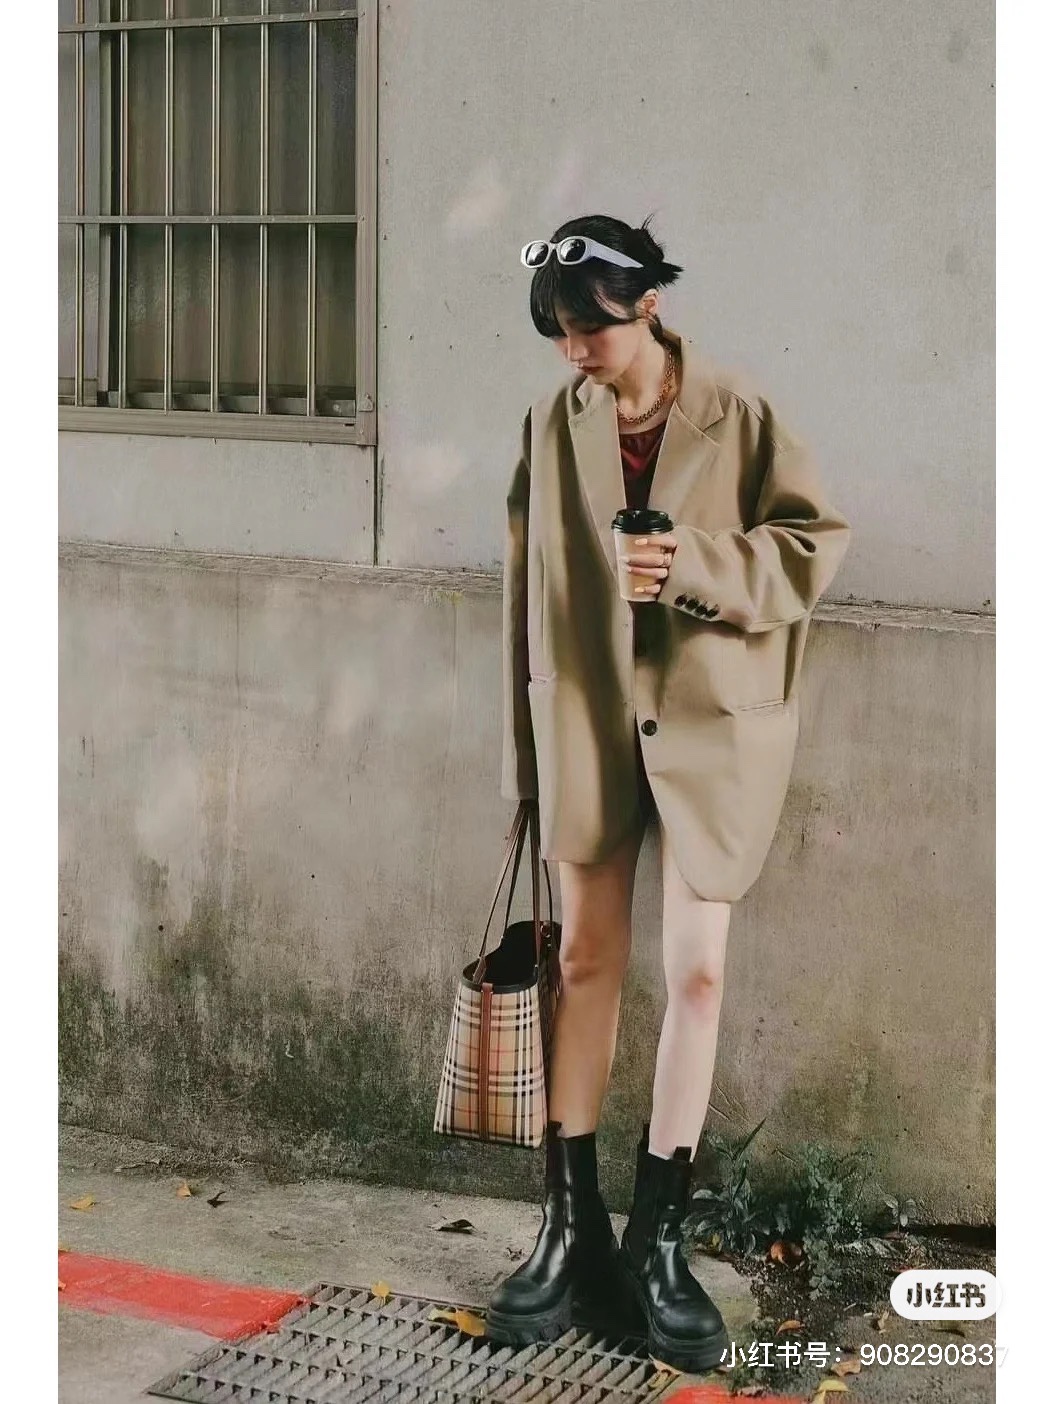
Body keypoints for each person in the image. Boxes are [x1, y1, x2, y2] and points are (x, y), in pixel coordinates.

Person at [486, 213, 851, 1370]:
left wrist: (690, 562)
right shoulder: (554, 424)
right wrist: (528, 758)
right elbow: (525, 590)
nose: (573, 351)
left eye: (588, 327)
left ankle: (658, 1241)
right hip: (588, 717)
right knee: (584, 964)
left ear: (647, 304)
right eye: (556, 332)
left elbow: (812, 546)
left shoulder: (738, 413)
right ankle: (570, 1232)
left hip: (711, 730)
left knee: (695, 972)